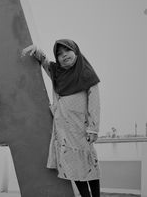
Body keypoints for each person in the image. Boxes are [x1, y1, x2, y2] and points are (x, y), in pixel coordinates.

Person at [22, 39, 101, 197]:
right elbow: (44, 61)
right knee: (73, 166)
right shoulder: (57, 73)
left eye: (67, 51)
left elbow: (95, 103)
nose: (64, 56)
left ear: (75, 51)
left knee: (88, 163)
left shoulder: (87, 74)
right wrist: (36, 49)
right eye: (59, 54)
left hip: (81, 128)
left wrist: (93, 128)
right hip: (63, 129)